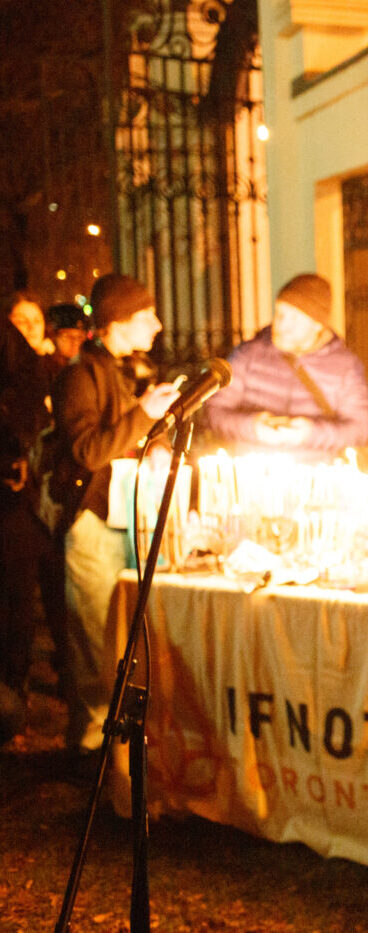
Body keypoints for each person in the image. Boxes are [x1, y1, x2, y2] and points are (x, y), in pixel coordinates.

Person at [49, 274, 180, 751]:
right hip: (94, 521)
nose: (158, 324)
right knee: (95, 634)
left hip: (129, 517)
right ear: (118, 322)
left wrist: (159, 444)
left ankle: (124, 737)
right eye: (146, 316)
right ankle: (89, 743)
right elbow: (88, 451)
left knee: (129, 629)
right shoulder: (78, 378)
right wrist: (145, 413)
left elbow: (138, 432)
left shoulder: (132, 371)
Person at [204, 273, 368, 459]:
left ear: (317, 325)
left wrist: (310, 433)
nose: (281, 325)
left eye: (294, 319)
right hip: (254, 475)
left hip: (314, 480)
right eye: (280, 314)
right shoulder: (249, 354)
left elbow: (360, 428)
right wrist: (253, 427)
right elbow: (214, 411)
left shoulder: (345, 367)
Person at [0, 305, 50, 744]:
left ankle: (15, 691)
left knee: (18, 605)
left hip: (20, 506)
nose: (26, 330)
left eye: (34, 321)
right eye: (19, 321)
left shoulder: (35, 372)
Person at [46, 302, 94, 369]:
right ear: (53, 337)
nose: (74, 342)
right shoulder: (45, 369)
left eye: (79, 337)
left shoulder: (89, 368)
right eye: (67, 336)